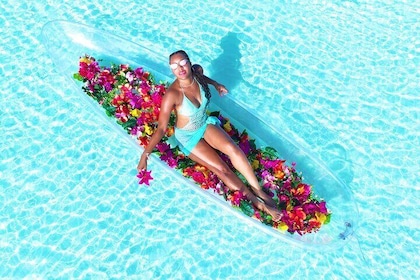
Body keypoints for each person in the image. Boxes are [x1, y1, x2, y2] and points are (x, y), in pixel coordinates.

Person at [137, 50, 282, 221]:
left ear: (189, 62)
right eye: (174, 66)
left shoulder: (197, 73)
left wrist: (216, 84)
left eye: (182, 63)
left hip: (204, 123)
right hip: (188, 136)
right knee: (222, 169)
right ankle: (259, 204)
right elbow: (161, 129)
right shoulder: (172, 94)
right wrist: (145, 155)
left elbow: (202, 79)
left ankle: (258, 190)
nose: (180, 68)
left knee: (232, 149)